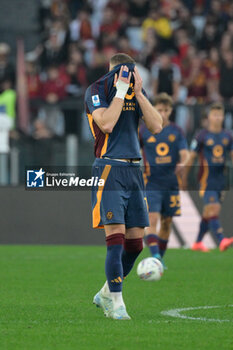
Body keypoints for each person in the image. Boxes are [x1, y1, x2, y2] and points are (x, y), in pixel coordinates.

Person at [84, 53, 162, 320]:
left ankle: (106, 290)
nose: (129, 76)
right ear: (115, 70)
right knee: (115, 237)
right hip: (109, 168)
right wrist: (118, 92)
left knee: (135, 244)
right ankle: (116, 302)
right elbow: (105, 123)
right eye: (126, 72)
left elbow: (157, 125)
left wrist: (139, 94)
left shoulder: (133, 92)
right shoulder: (96, 89)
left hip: (134, 170)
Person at [140, 93, 189, 265]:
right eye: (159, 109)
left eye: (166, 110)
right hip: (152, 182)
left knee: (167, 223)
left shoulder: (176, 131)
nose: (162, 113)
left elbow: (185, 153)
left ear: (171, 111)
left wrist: (183, 163)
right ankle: (155, 257)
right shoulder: (144, 130)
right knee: (151, 219)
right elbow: (136, 150)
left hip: (171, 183)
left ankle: (160, 256)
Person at [185, 103, 233, 252]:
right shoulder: (202, 135)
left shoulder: (228, 135)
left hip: (221, 180)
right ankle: (221, 239)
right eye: (215, 115)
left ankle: (197, 242)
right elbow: (191, 157)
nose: (218, 118)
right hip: (206, 180)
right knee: (214, 208)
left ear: (223, 117)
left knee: (208, 213)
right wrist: (184, 177)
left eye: (220, 115)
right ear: (209, 117)